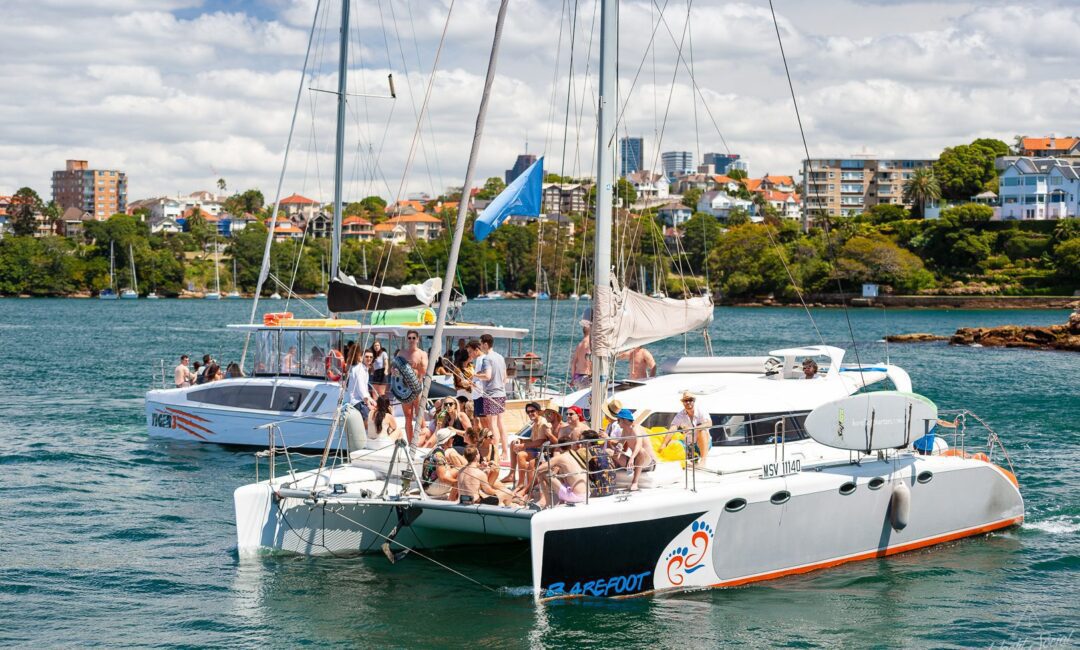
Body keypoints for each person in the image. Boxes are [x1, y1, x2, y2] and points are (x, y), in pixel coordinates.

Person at [474, 333, 508, 460]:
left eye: (481, 344)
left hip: (491, 394)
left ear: (485, 344)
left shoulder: (487, 359)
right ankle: (505, 452)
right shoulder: (500, 357)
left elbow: (487, 376)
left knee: (492, 424)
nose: (480, 346)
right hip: (501, 393)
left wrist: (475, 375)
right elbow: (505, 378)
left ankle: (495, 453)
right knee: (501, 423)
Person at [512, 402, 558, 495]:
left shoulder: (543, 423)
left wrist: (523, 445)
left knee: (522, 455)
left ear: (538, 412)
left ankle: (522, 485)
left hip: (541, 451)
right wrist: (520, 441)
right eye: (528, 412)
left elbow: (540, 442)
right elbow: (533, 440)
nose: (530, 414)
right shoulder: (535, 423)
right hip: (537, 450)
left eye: (532, 411)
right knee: (512, 443)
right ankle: (512, 476)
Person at [613, 408, 658, 491]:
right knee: (611, 452)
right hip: (636, 461)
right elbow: (621, 442)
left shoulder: (636, 427)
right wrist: (618, 448)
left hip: (649, 463)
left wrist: (632, 458)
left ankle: (635, 482)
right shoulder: (625, 431)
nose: (617, 422)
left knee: (641, 450)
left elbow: (639, 444)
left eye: (618, 420)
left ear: (625, 420)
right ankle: (612, 477)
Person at [662, 391, 711, 463]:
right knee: (671, 443)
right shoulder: (680, 415)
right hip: (689, 444)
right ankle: (689, 456)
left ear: (694, 401)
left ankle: (703, 461)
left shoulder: (701, 411)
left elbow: (709, 423)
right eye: (685, 400)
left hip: (703, 443)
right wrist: (664, 444)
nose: (688, 402)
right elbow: (673, 428)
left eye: (690, 400)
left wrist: (693, 429)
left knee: (702, 431)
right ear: (683, 402)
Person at [535, 442, 589, 507]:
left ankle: (546, 502)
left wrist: (542, 460)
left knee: (542, 473)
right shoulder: (575, 455)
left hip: (576, 496)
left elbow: (539, 469)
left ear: (558, 448)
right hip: (587, 493)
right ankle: (561, 500)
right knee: (561, 471)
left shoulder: (560, 457)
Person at [397, 330, 427, 444]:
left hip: (417, 388)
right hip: (404, 388)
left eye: (414, 338)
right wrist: (395, 370)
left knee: (419, 417)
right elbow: (394, 368)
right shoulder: (401, 353)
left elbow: (424, 370)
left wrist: (414, 366)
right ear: (407, 339)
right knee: (408, 417)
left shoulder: (422, 354)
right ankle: (410, 443)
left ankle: (420, 443)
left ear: (418, 339)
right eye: (409, 338)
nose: (411, 340)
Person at [421, 428, 461, 499]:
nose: (453, 439)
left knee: (456, 470)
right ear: (447, 440)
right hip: (432, 489)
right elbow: (442, 478)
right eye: (452, 438)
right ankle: (452, 500)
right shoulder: (439, 455)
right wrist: (457, 482)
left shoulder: (436, 449)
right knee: (461, 470)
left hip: (427, 486)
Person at [582, 429, 616, 497]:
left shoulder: (586, 452)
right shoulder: (603, 451)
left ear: (588, 442)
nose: (579, 444)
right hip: (611, 489)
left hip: (597, 492)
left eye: (581, 441)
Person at [345, 347, 376, 419]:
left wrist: (372, 400)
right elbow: (361, 390)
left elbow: (365, 390)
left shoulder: (365, 369)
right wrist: (369, 405)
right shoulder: (359, 370)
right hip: (356, 402)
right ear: (362, 357)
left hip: (361, 401)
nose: (369, 358)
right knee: (371, 419)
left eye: (371, 357)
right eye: (367, 357)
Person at [570, 325, 592, 389]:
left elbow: (573, 363)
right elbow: (588, 359)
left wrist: (573, 379)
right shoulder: (589, 344)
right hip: (585, 377)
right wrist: (591, 374)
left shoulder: (579, 344)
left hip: (577, 377)